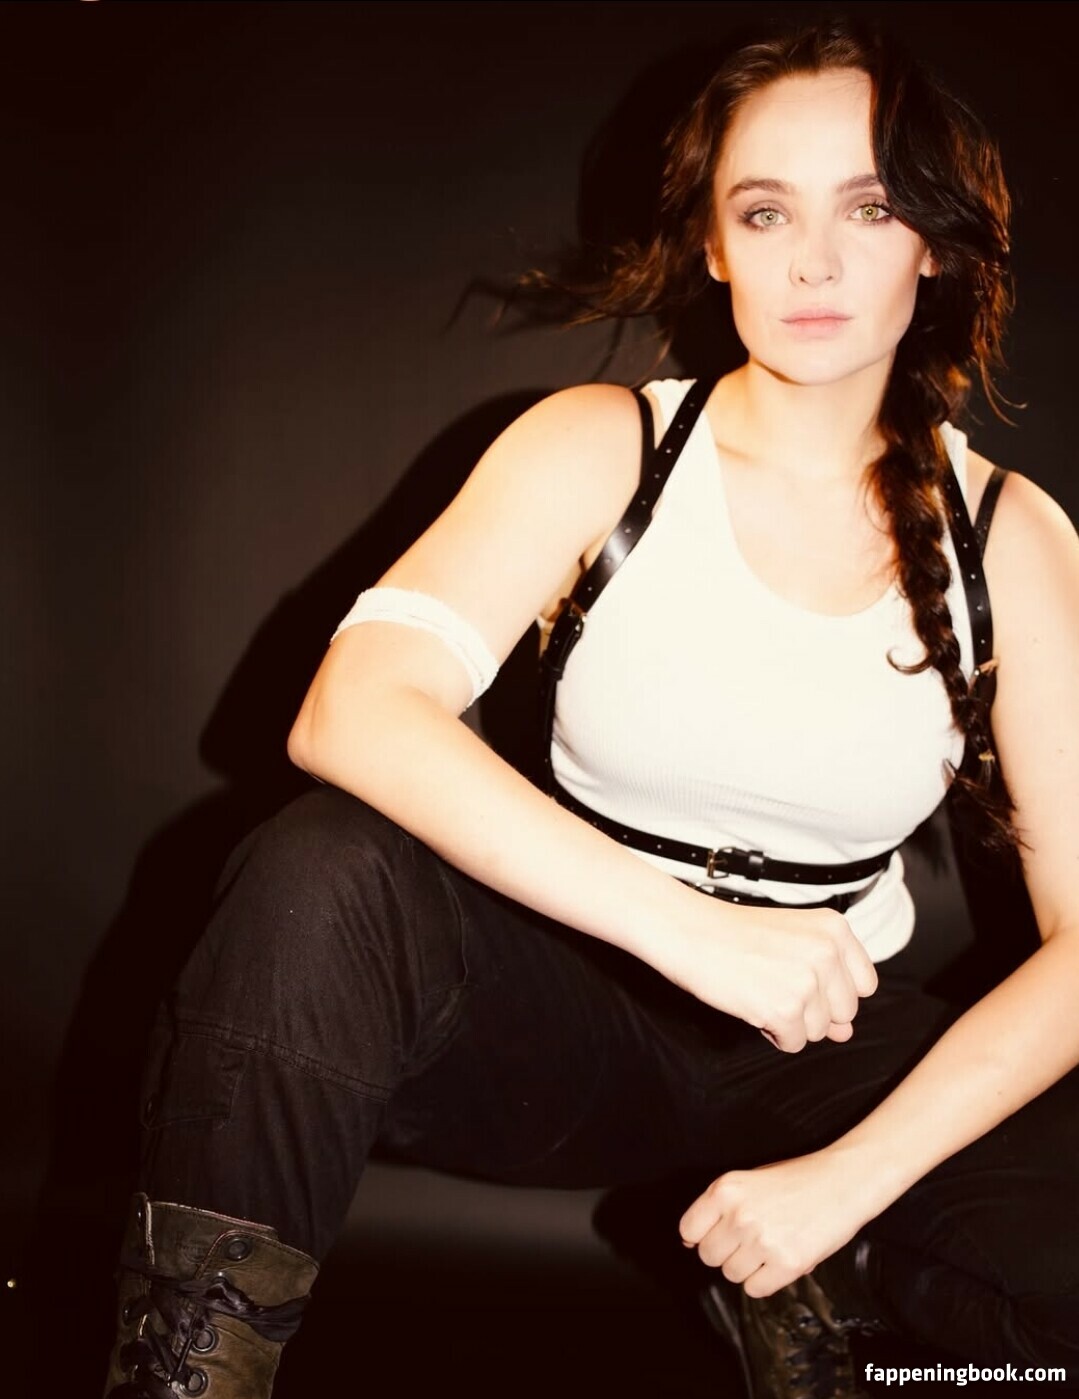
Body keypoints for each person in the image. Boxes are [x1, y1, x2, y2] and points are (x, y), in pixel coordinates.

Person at [103, 19, 1079, 1399]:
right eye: (766, 210)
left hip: (820, 1057)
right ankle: (183, 1379)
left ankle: (832, 1296)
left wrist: (845, 1186)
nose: (813, 260)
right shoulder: (598, 448)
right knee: (319, 872)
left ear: (934, 242)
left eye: (868, 208)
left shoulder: (1013, 539)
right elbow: (352, 710)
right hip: (559, 1015)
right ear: (715, 246)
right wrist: (696, 934)